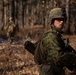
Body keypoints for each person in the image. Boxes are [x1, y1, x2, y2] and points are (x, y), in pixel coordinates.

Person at [34, 7, 76, 75]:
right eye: (59, 19)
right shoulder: (51, 37)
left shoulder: (56, 35)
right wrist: (73, 57)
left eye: (63, 19)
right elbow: (59, 57)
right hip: (50, 71)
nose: (61, 21)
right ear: (52, 21)